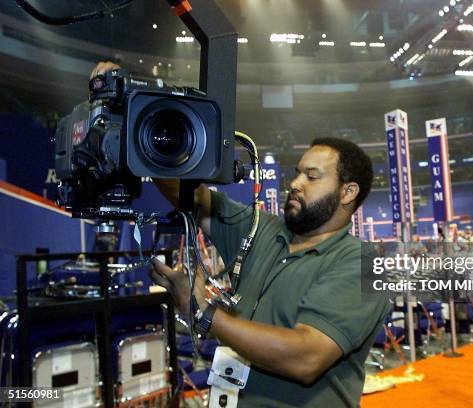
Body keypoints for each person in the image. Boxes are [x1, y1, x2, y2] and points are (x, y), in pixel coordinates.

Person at [93, 56, 389, 408]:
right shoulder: (260, 230)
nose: (294, 183)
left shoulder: (363, 265)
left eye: (311, 177)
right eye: (296, 173)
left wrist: (205, 313)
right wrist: (137, 124)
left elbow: (306, 357)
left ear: (348, 192)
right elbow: (193, 198)